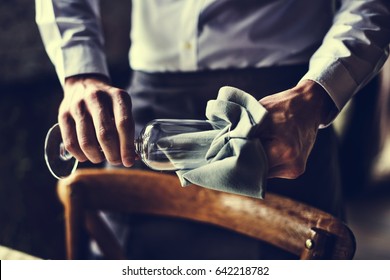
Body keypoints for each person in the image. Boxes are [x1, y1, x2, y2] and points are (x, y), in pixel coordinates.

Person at [36, 0, 390, 259]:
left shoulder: (297, 108)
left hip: (279, 110)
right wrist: (81, 73)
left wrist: (315, 97)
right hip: (146, 104)